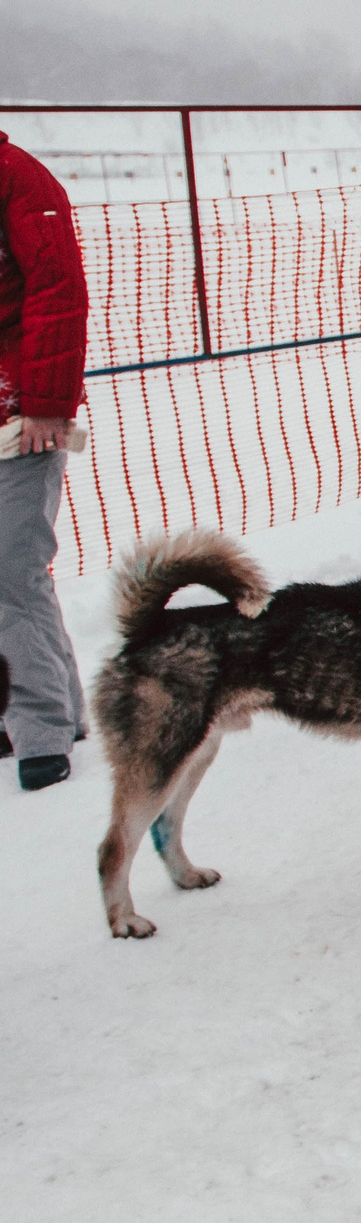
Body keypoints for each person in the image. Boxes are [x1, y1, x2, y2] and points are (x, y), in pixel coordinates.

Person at [0, 130, 90, 791]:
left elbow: (58, 290)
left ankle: (39, 727)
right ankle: (60, 708)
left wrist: (47, 403)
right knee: (17, 570)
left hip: (21, 416)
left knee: (12, 567)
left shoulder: (19, 179)